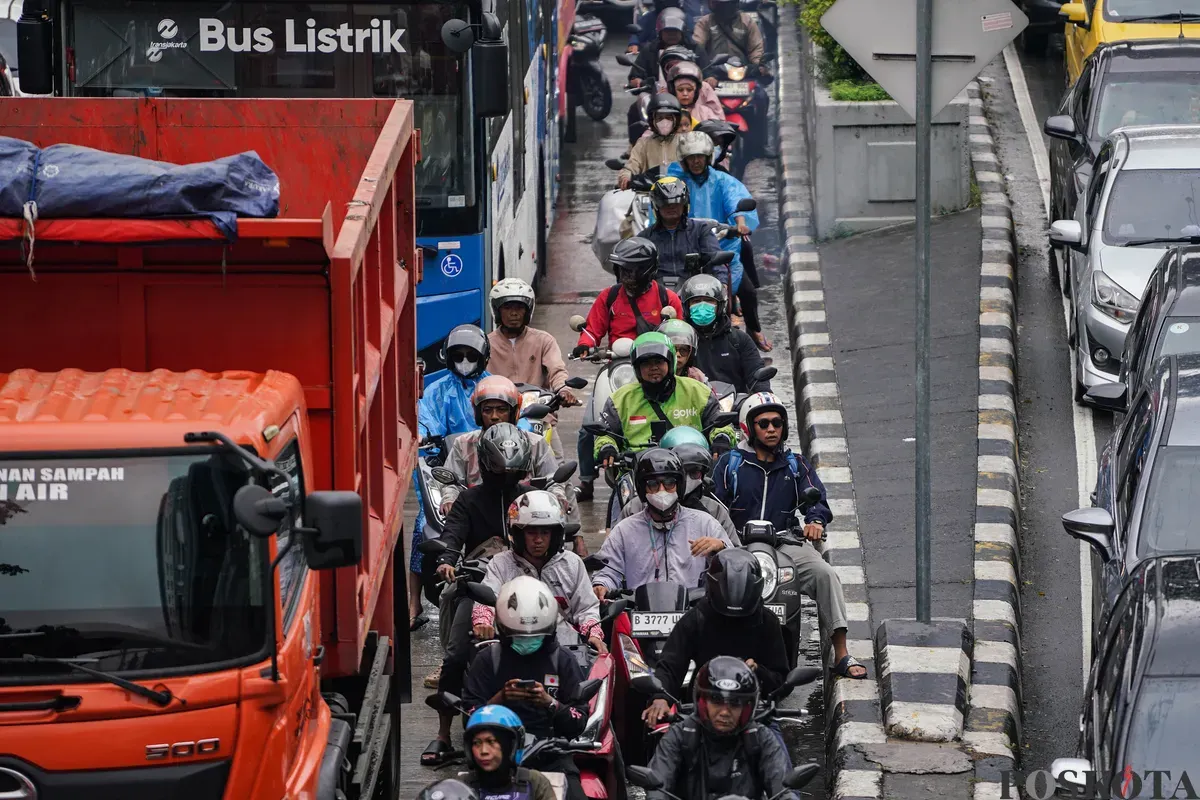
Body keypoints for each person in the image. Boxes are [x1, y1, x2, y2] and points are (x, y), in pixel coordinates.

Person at [712, 393, 867, 680]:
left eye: (777, 422)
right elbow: (713, 508)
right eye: (763, 423)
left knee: (825, 574)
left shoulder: (795, 464)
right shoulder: (730, 464)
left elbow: (817, 500)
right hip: (737, 544)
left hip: (784, 543)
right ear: (749, 427)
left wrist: (815, 521)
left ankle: (842, 653)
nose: (771, 429)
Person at [421, 423, 535, 768]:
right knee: (455, 656)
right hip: (480, 583)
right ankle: (443, 733)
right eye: (499, 469)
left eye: (512, 471)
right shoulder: (469, 499)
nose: (505, 477)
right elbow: (452, 534)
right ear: (485, 464)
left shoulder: (531, 497)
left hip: (526, 582)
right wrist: (446, 560)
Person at [572, 238, 683, 502]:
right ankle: (586, 481)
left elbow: (679, 333)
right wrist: (585, 345)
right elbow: (592, 329)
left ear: (646, 270)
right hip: (617, 368)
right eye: (622, 270)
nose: (626, 276)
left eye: (631, 270)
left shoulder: (668, 299)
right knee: (589, 426)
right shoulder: (608, 297)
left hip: (658, 369)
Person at [463, 577, 591, 800]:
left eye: (535, 636)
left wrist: (549, 703)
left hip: (552, 755)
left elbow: (578, 720)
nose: (527, 642)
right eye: (518, 636)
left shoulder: (562, 660)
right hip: (496, 760)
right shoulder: (487, 660)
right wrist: (500, 699)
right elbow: (469, 717)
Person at [643, 549, 788, 725]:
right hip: (703, 711)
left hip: (754, 713)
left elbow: (781, 681)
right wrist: (661, 697)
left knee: (777, 749)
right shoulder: (696, 619)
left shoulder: (767, 622)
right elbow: (671, 665)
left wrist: (757, 671)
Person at [411, 324, 493, 631]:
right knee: (423, 527)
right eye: (457, 355)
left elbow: (516, 418)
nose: (463, 360)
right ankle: (413, 601)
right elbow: (424, 420)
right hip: (448, 469)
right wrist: (421, 436)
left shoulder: (493, 387)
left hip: (489, 470)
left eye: (470, 355)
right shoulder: (435, 391)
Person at [668, 132, 771, 351]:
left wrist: (740, 222)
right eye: (691, 157)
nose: (696, 161)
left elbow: (734, 201)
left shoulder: (722, 181)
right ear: (684, 160)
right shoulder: (678, 183)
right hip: (689, 247)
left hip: (722, 247)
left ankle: (754, 330)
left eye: (700, 157)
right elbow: (668, 208)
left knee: (749, 292)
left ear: (708, 158)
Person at [472, 491, 607, 653]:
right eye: (531, 533)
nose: (538, 540)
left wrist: (593, 633)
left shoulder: (572, 563)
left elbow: (586, 608)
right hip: (512, 648)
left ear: (555, 534)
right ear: (518, 534)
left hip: (565, 649)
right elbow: (487, 597)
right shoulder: (501, 563)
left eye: (545, 532)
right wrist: (483, 622)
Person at [645, 656, 797, 800]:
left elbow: (783, 788)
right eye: (717, 700)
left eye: (735, 702)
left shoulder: (760, 738)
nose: (725, 712)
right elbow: (658, 786)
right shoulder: (679, 736)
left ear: (746, 707)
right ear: (702, 702)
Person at [591, 448, 734, 597]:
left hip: (692, 612)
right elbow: (607, 570)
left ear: (679, 485)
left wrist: (721, 548)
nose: (662, 490)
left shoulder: (705, 523)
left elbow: (733, 568)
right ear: (642, 489)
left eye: (669, 483)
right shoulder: (624, 530)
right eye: (653, 484)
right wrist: (602, 585)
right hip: (638, 612)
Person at [593, 332, 735, 465]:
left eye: (658, 362)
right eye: (646, 363)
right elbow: (605, 433)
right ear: (637, 368)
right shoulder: (620, 399)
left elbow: (720, 423)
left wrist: (722, 438)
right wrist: (606, 447)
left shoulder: (698, 391)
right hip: (636, 472)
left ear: (670, 362)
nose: (653, 368)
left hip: (691, 469)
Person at [439, 376, 571, 516]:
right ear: (478, 413)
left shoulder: (535, 443)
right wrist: (449, 499)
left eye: (502, 409)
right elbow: (450, 483)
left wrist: (557, 497)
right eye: (487, 410)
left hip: (527, 519)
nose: (494, 416)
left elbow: (553, 480)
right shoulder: (464, 444)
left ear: (513, 412)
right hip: (477, 518)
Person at [485, 278, 580, 461]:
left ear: (528, 310)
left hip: (539, 419)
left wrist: (563, 390)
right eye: (508, 307)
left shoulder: (543, 340)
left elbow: (557, 370)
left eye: (519, 308)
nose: (514, 313)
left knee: (558, 468)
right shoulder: (486, 344)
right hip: (498, 420)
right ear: (497, 310)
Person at [619, 426, 737, 541]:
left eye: (695, 472)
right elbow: (612, 553)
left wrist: (719, 547)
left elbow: (733, 554)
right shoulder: (634, 509)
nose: (688, 479)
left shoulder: (714, 511)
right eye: (682, 471)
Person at [693, 0, 770, 156]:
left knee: (761, 97)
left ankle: (759, 145)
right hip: (712, 77)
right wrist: (707, 74)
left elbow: (756, 49)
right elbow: (697, 48)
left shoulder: (747, 22)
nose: (725, 8)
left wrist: (757, 66)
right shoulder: (705, 23)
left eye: (728, 4)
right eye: (721, 5)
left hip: (742, 75)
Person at [680, 273, 770, 394]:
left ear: (720, 305)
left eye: (708, 301)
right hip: (690, 406)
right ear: (686, 306)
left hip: (734, 406)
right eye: (696, 301)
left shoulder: (739, 340)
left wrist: (764, 395)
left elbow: (756, 373)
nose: (702, 306)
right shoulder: (679, 342)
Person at [448, 705, 558, 800]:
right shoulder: (462, 785)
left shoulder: (534, 782)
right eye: (477, 743)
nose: (483, 751)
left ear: (509, 745)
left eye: (491, 741)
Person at [643, 176, 726, 286]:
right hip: (656, 296)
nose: (671, 207)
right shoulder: (645, 237)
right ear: (656, 206)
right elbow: (635, 270)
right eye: (665, 204)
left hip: (696, 294)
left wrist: (722, 283)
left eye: (676, 203)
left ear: (685, 203)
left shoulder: (701, 230)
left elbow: (715, 261)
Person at [617, 93, 687, 190]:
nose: (664, 122)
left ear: (676, 120)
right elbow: (632, 165)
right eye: (660, 118)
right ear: (652, 120)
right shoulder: (643, 143)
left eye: (669, 118)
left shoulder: (684, 142)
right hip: (650, 195)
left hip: (681, 195)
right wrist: (626, 176)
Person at [628, 8, 705, 90]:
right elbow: (635, 76)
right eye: (667, 31)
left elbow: (707, 71)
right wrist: (637, 81)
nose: (671, 35)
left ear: (682, 32)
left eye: (675, 31)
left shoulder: (695, 48)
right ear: (660, 33)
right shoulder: (650, 49)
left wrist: (711, 78)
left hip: (690, 94)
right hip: (654, 94)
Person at [656, 46, 724, 122]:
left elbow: (719, 119)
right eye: (670, 67)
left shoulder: (704, 87)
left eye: (689, 89)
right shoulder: (663, 93)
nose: (685, 93)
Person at [628, 0, 704, 53]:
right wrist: (633, 44)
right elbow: (637, 34)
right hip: (653, 55)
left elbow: (692, 39)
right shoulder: (648, 18)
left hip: (682, 55)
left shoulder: (686, 17)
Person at [657, 317, 709, 384]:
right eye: (672, 349)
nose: (678, 354)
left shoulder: (697, 377)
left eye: (683, 350)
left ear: (690, 353)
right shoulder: (653, 374)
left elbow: (709, 393)